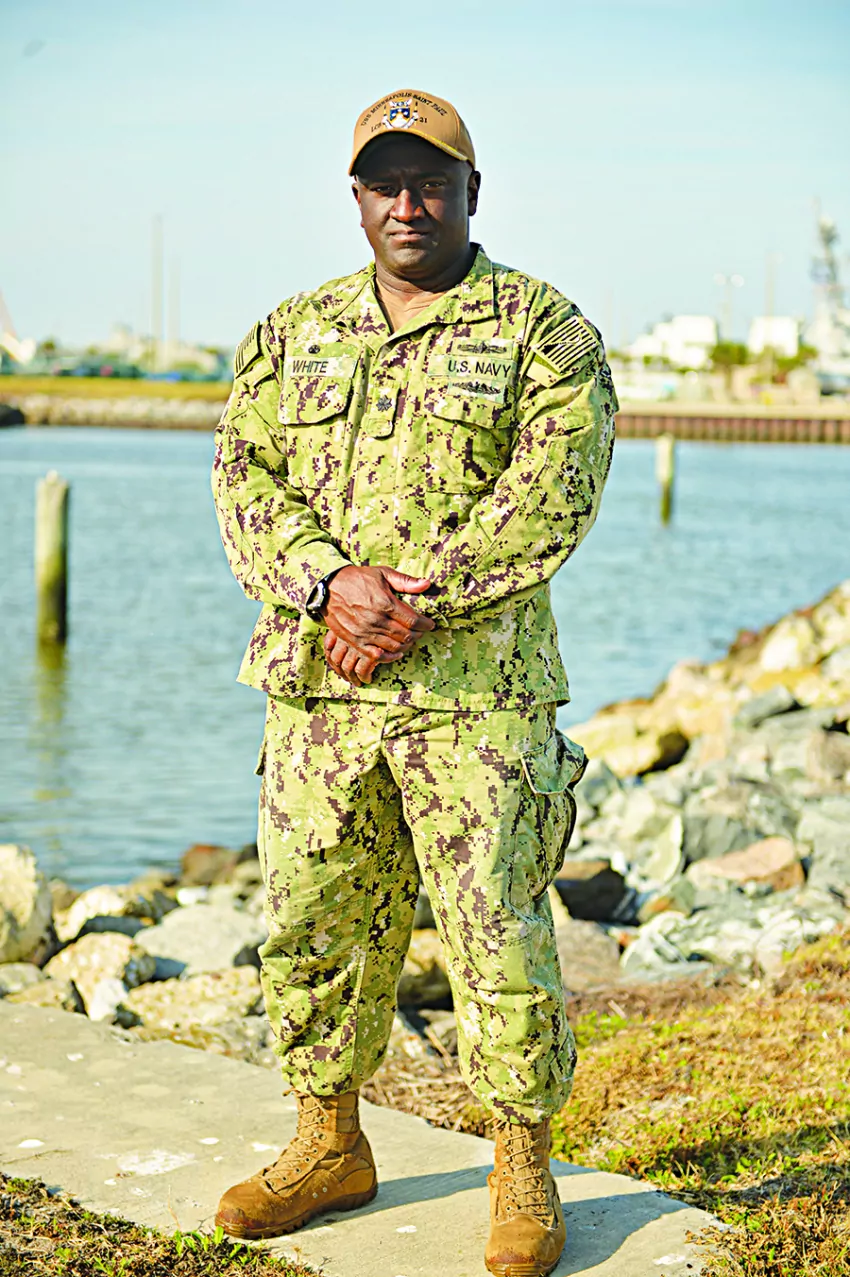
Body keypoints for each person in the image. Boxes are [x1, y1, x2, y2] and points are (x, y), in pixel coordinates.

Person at [211, 87, 617, 1277]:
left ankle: (522, 1168)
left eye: (431, 181)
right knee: (311, 922)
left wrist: (404, 603)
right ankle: (327, 1142)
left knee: (497, 933)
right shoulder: (292, 332)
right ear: (355, 198)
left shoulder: (544, 332)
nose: (408, 203)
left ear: (470, 192)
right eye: (386, 183)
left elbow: (553, 493)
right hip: (318, 692)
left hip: (476, 700)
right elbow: (242, 476)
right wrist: (329, 582)